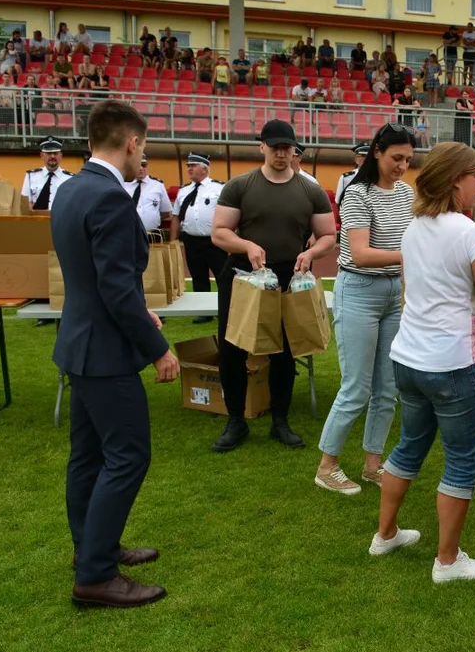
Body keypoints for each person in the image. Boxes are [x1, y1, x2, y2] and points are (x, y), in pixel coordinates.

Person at [371, 141, 475, 580]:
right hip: (452, 362)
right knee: (461, 458)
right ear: (456, 178)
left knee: (408, 445)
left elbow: (426, 287)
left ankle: (385, 534)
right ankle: (447, 560)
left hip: (409, 356)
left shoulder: (414, 227)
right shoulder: (471, 233)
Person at [51, 99, 179, 608]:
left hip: (80, 342)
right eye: (141, 145)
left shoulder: (71, 189)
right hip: (104, 352)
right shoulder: (107, 198)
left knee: (88, 457)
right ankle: (95, 575)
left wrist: (134, 316)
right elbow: (118, 289)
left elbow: (94, 280)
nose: (140, 153)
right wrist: (158, 350)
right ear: (131, 143)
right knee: (127, 456)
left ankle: (92, 550)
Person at [211, 120, 337, 453]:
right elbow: (220, 232)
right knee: (233, 348)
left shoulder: (310, 190)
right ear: (262, 147)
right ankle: (235, 420)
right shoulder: (240, 185)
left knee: (284, 350)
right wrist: (247, 246)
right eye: (275, 146)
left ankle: (279, 421)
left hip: (286, 278)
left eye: (287, 147)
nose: (281, 153)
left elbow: (328, 235)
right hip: (241, 277)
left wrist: (310, 252)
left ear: (294, 150)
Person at [313, 124, 416, 494]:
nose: (402, 166)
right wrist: (412, 255)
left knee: (387, 388)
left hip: (394, 293)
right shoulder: (357, 193)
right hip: (358, 289)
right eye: (396, 158)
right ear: (376, 152)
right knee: (357, 386)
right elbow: (359, 252)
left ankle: (374, 464)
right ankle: (327, 465)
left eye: (408, 159)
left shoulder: (407, 193)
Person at [170, 152, 226, 323]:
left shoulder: (219, 188)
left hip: (214, 240)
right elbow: (176, 217)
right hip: (191, 240)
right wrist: (173, 240)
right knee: (198, 276)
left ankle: (225, 307)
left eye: (193, 166)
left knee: (222, 275)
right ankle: (205, 311)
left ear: (204, 168)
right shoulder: (184, 191)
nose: (189, 169)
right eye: (188, 166)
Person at [23, 135, 74, 211]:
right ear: (42, 156)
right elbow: (25, 203)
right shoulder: (31, 176)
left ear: (61, 156)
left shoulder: (70, 178)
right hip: (37, 221)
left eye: (55, 153)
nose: (52, 156)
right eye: (49, 153)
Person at [123, 154, 172, 231]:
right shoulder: (123, 184)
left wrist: (151, 220)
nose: (141, 168)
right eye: (138, 165)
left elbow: (165, 212)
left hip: (151, 234)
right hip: (128, 232)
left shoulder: (157, 185)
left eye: (143, 165)